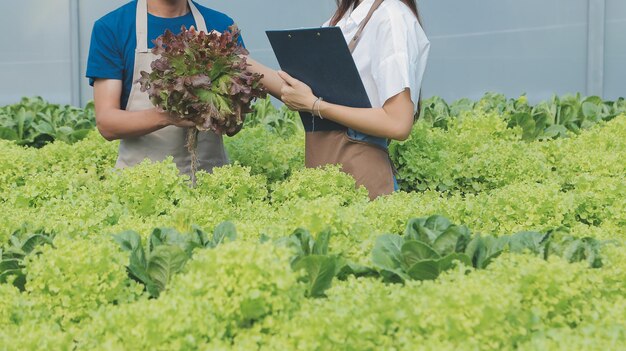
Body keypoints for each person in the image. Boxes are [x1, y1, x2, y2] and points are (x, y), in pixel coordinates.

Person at [247, 0, 430, 200]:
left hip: (362, 171)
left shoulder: (392, 17)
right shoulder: (346, 18)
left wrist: (315, 106)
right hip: (326, 166)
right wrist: (237, 60)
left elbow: (398, 124)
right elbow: (298, 90)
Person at [87, 0, 241, 177]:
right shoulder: (112, 28)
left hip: (211, 181)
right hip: (142, 185)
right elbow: (107, 123)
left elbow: (235, 125)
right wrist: (167, 116)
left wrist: (222, 110)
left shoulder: (221, 26)